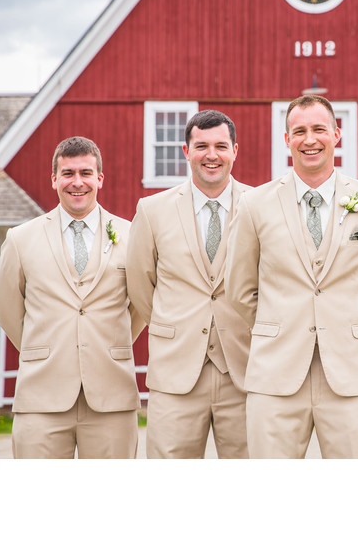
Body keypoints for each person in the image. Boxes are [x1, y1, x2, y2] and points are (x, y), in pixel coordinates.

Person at [225, 95, 358, 458]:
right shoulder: (254, 205)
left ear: (336, 134)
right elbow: (240, 289)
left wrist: (350, 322)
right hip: (276, 369)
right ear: (287, 139)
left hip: (353, 370)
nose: (310, 139)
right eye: (300, 131)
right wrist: (280, 323)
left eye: (319, 130)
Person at [0, 136, 143, 458]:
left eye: (86, 173)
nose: (77, 182)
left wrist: (107, 342)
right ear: (54, 179)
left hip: (111, 395)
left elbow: (141, 307)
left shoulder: (132, 235)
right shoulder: (20, 239)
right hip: (41, 394)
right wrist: (45, 348)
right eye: (68, 173)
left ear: (100, 179)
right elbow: (9, 311)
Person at [126, 110, 251, 458]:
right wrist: (176, 324)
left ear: (235, 151)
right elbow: (140, 284)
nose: (211, 155)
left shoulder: (261, 205)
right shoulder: (152, 210)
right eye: (202, 146)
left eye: (220, 146)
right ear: (186, 150)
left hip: (244, 366)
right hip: (175, 370)